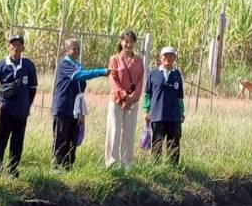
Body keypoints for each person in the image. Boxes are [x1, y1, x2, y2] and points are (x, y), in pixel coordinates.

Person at [51, 38, 108, 170]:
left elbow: (80, 91)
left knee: (72, 138)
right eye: (73, 48)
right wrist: (101, 72)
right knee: (61, 138)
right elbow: (78, 76)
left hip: (75, 109)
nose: (76, 51)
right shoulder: (64, 65)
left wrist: (82, 112)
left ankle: (68, 167)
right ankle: (56, 167)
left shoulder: (78, 65)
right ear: (66, 50)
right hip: (63, 107)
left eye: (77, 48)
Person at [0, 33, 39, 176]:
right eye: (13, 44)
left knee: (17, 142)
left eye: (18, 44)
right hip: (6, 111)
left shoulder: (28, 65)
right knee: (1, 141)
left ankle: (13, 170)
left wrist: (26, 105)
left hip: (21, 111)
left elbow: (33, 89)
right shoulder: (1, 65)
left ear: (23, 47)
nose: (16, 47)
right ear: (8, 46)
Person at [105, 29, 145, 168]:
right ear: (121, 42)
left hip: (132, 102)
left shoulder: (139, 61)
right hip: (117, 101)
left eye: (131, 42)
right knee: (114, 130)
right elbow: (113, 80)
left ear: (134, 43)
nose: (128, 45)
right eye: (126, 41)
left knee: (129, 132)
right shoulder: (114, 59)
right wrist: (123, 96)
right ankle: (112, 162)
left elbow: (140, 81)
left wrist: (132, 98)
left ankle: (127, 163)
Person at [144, 46, 184, 163]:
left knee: (174, 144)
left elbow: (180, 97)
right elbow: (147, 94)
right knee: (157, 142)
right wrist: (147, 111)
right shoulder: (154, 74)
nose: (168, 58)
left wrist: (181, 113)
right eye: (165, 55)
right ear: (161, 58)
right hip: (157, 115)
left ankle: (172, 169)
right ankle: (156, 168)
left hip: (174, 116)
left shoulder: (177, 74)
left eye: (171, 55)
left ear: (174, 58)